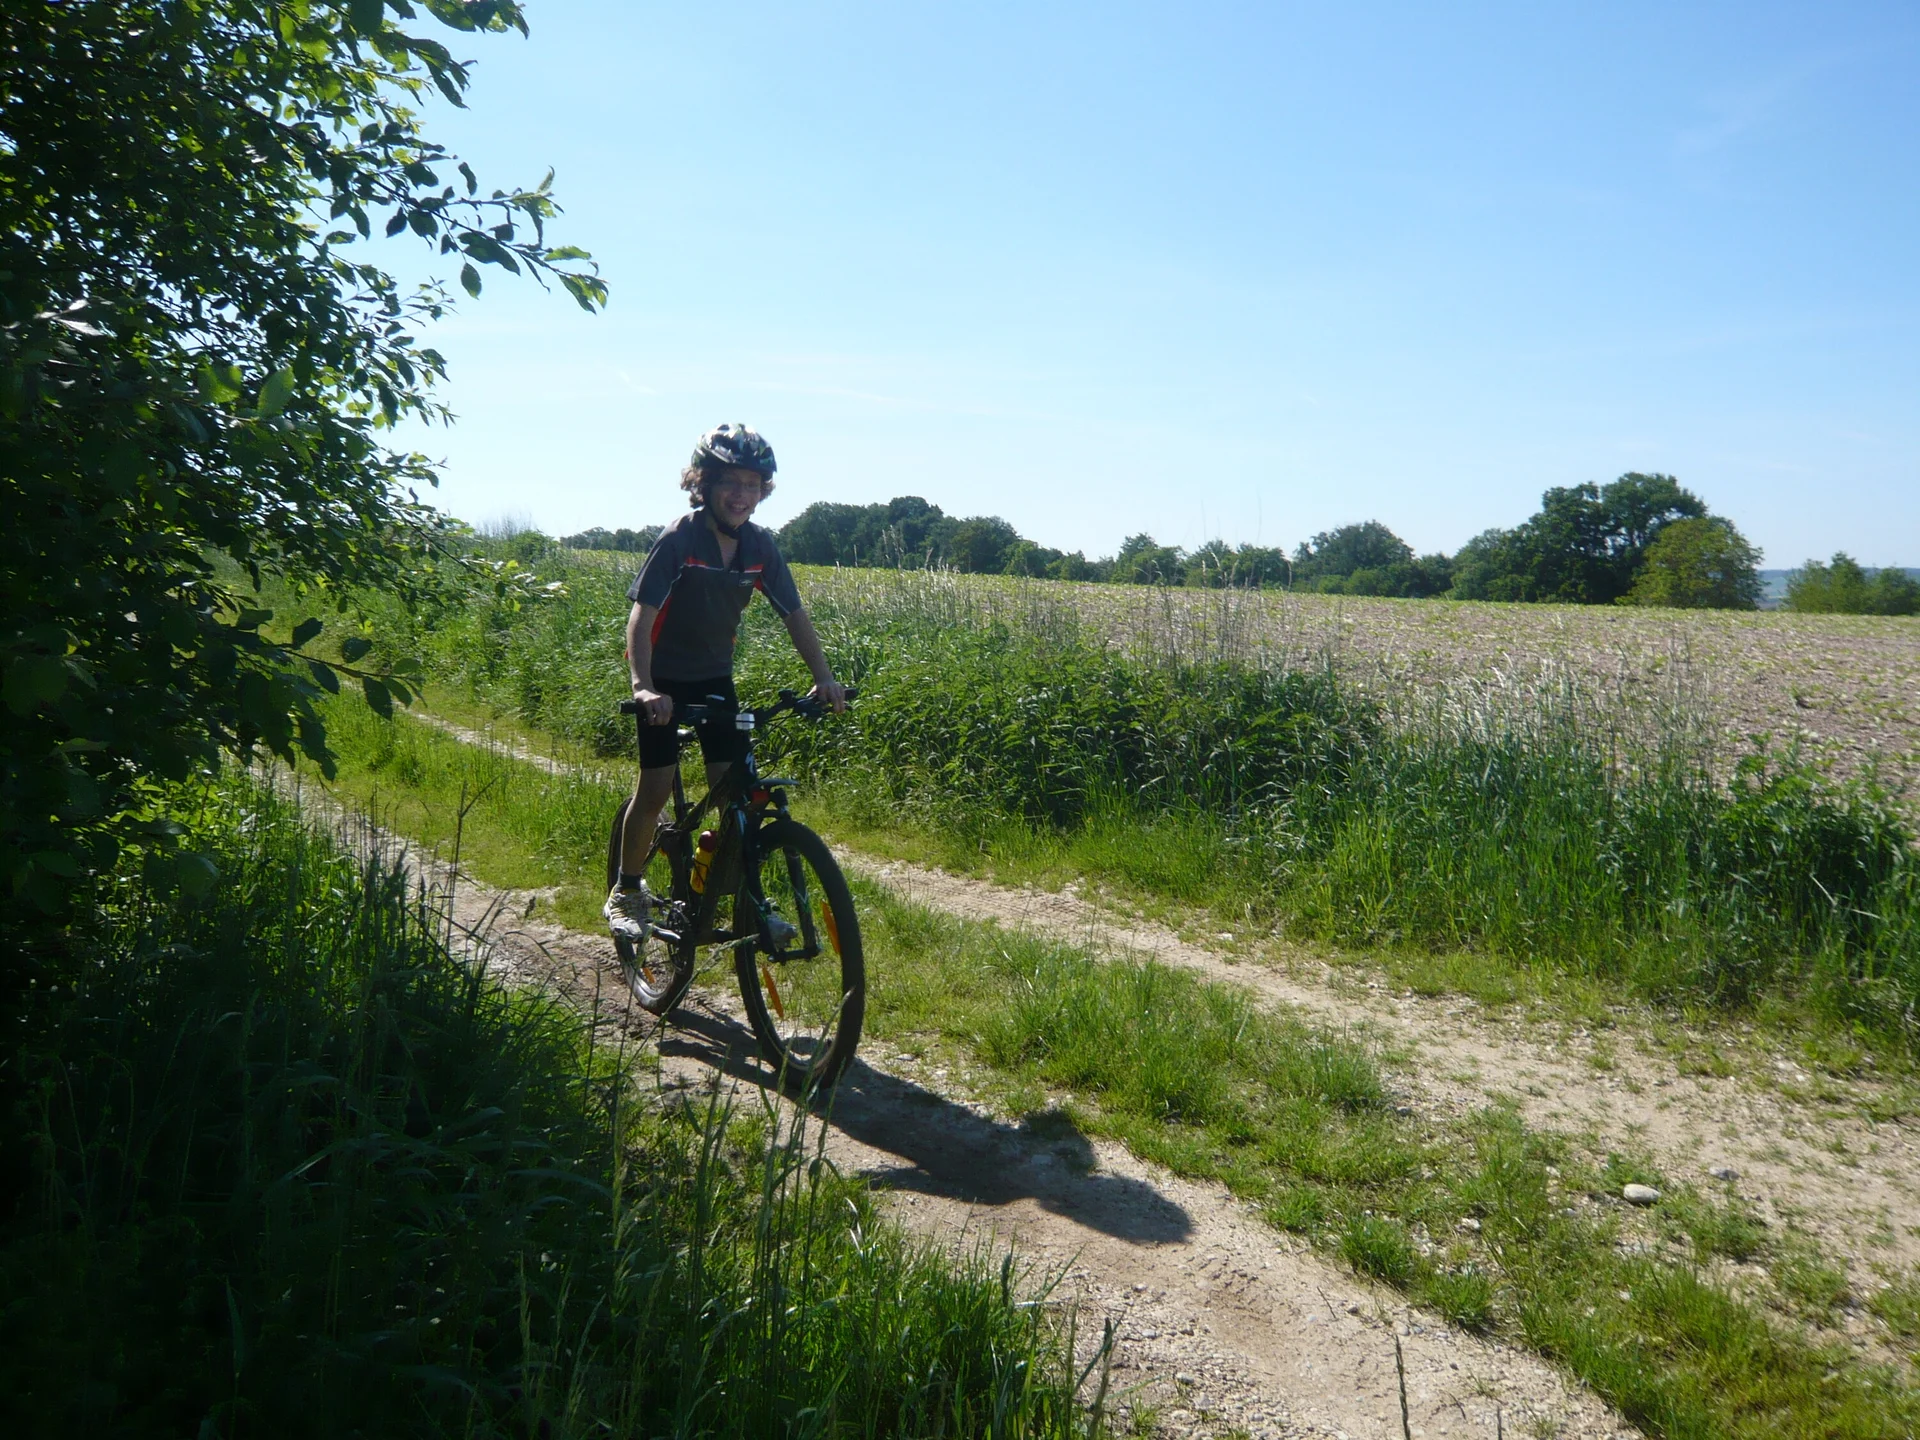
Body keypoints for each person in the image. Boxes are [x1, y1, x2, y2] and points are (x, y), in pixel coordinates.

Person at [604, 423, 846, 941]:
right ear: (705, 484)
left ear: (764, 491)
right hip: (664, 681)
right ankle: (627, 890)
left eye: (753, 484)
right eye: (730, 482)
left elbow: (795, 615)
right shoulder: (680, 539)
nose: (742, 495)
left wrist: (824, 678)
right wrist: (643, 686)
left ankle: (736, 902)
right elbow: (641, 621)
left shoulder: (760, 546)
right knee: (653, 790)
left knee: (734, 796)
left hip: (715, 679)